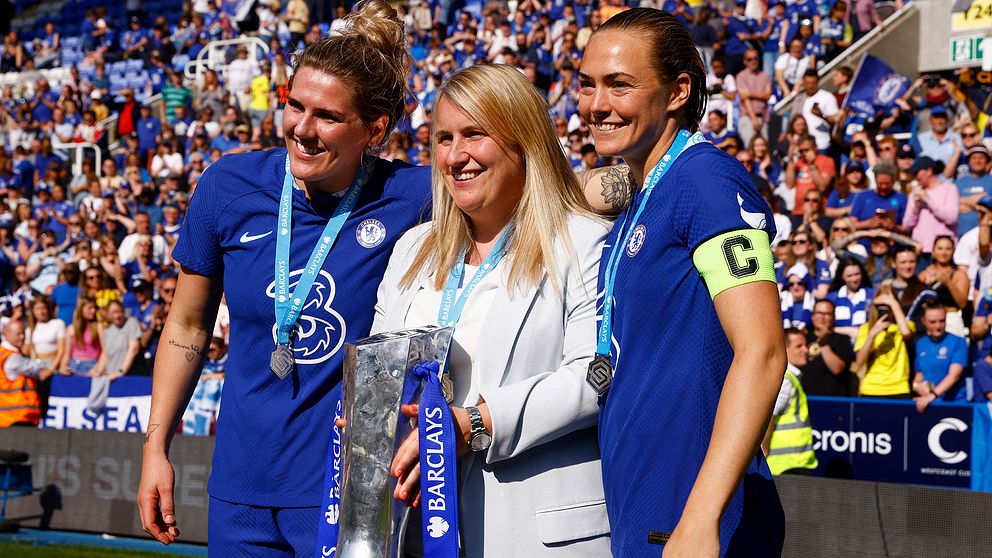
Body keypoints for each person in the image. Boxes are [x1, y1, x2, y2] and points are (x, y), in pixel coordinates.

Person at [138, 1, 432, 552]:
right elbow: (188, 323)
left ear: (376, 128)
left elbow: (524, 191)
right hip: (240, 489)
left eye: (327, 116)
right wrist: (157, 448)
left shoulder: (412, 196)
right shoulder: (229, 185)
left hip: (348, 492)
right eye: (295, 106)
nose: (302, 129)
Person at [375, 64, 611, 556]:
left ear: (523, 140)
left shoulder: (584, 241)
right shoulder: (412, 249)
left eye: (475, 135)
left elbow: (595, 374)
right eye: (443, 138)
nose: (455, 156)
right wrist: (372, 416)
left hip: (538, 533)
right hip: (416, 525)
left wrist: (477, 424)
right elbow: (382, 365)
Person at [578, 9, 785, 557]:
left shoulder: (707, 183)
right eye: (587, 85)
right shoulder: (642, 184)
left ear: (678, 92)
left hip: (694, 520)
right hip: (643, 506)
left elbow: (762, 351)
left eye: (619, 85)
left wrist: (700, 517)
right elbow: (571, 191)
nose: (596, 104)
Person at [762, 328, 819, 476]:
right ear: (784, 348)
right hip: (786, 466)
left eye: (805, 345)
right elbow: (768, 415)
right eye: (798, 346)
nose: (806, 350)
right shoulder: (785, 380)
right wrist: (764, 447)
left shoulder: (789, 377)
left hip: (791, 464)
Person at [853, 285, 914, 398]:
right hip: (871, 388)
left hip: (898, 388)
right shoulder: (866, 329)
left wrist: (893, 303)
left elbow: (906, 333)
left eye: (888, 306)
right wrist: (872, 335)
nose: (885, 309)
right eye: (881, 306)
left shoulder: (903, 326)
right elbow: (859, 363)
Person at [911, 302, 967, 412]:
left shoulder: (958, 342)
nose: (938, 326)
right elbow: (919, 375)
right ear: (923, 321)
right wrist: (917, 386)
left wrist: (932, 395)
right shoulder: (921, 344)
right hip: (927, 404)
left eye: (942, 321)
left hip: (953, 404)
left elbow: (954, 375)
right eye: (933, 322)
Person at [0, 319, 52, 427]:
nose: (22, 337)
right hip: (17, 417)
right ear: (6, 334)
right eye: (18, 334)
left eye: (23, 333)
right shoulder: (12, 357)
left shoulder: (3, 353)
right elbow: (38, 370)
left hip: (9, 417)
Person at [803, 299, 855, 396]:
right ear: (813, 316)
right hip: (806, 397)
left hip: (833, 399)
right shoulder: (803, 339)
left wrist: (823, 344)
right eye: (819, 313)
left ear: (833, 317)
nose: (822, 317)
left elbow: (837, 369)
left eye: (827, 314)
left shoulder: (842, 340)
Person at [827, 257, 874, 339]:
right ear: (842, 277)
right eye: (849, 276)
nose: (854, 279)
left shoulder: (872, 294)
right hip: (839, 343)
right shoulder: (832, 298)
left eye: (857, 274)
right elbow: (825, 327)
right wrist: (847, 331)